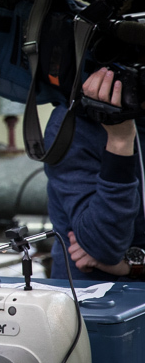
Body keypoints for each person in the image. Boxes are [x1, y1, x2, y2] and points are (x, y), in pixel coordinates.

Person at [45, 67, 145, 281]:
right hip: (95, 296)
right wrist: (120, 142)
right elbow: (103, 245)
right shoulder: (72, 125)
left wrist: (135, 265)